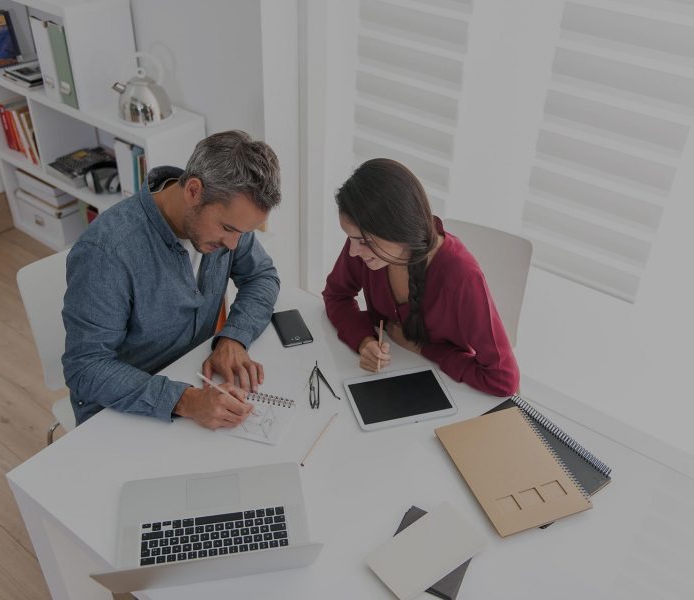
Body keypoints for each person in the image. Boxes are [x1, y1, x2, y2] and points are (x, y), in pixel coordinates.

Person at [62, 130, 281, 430]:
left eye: (242, 233)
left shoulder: (229, 221)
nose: (233, 245)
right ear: (193, 191)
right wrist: (186, 400)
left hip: (192, 379)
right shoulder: (106, 253)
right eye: (228, 229)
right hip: (119, 412)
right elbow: (86, 367)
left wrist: (234, 336)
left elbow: (261, 276)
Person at [322, 158, 519, 397]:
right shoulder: (368, 248)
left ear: (398, 230)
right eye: (350, 238)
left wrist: (423, 348)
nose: (353, 251)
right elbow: (336, 295)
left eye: (363, 241)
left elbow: (503, 379)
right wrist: (364, 341)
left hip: (445, 391)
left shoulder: (462, 276)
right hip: (385, 381)